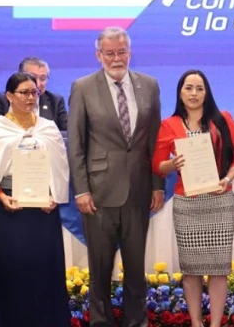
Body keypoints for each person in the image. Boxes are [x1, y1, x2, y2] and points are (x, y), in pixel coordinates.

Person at [68, 27, 165, 327]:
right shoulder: (82, 87)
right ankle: (100, 323)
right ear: (99, 55)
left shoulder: (149, 85)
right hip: (98, 194)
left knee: (136, 269)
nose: (116, 58)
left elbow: (155, 142)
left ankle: (137, 322)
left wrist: (158, 185)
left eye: (121, 51)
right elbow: (76, 143)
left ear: (129, 52)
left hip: (139, 192)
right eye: (109, 53)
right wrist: (81, 190)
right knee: (100, 269)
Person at [0, 72, 71, 327]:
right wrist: (0, 196)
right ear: (9, 96)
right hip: (7, 211)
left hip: (42, 213)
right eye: (24, 92)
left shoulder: (48, 128)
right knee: (8, 273)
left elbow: (60, 168)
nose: (31, 97)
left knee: (41, 273)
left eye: (35, 92)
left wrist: (54, 196)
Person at [152, 69, 234, 327]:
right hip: (187, 203)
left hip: (220, 201)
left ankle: (215, 324)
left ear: (207, 92)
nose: (194, 93)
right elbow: (157, 166)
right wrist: (173, 163)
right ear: (180, 92)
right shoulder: (168, 125)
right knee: (191, 269)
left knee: (219, 268)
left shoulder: (223, 119)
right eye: (188, 88)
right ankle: (196, 323)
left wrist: (227, 179)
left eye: (199, 88)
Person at [0, 57, 68, 130]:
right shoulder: (1, 100)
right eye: (33, 77)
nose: (38, 84)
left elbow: (66, 133)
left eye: (43, 78)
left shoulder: (55, 101)